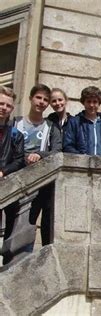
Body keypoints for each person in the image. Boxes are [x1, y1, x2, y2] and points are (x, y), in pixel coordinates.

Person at [14, 84, 62, 252]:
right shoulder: (16, 123)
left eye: (45, 100)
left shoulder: (51, 127)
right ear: (31, 98)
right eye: (38, 98)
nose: (41, 102)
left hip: (40, 183)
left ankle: (28, 257)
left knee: (32, 220)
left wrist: (40, 155)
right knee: (13, 223)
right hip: (16, 179)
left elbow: (57, 152)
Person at [0, 86, 25, 265]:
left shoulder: (16, 134)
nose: (4, 108)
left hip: (7, 183)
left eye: (8, 105)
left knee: (10, 225)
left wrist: (3, 171)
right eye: (1, 103)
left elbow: (18, 160)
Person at [63, 86, 101, 157]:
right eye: (88, 101)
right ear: (83, 103)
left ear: (99, 103)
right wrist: (82, 157)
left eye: (95, 102)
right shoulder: (75, 122)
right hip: (83, 165)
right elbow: (68, 146)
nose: (92, 105)